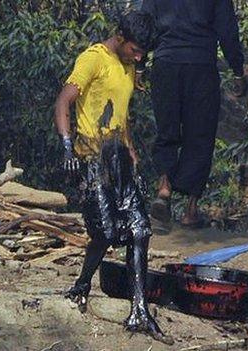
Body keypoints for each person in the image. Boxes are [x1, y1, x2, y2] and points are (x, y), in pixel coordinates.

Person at [53, 11, 172, 344]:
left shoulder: (130, 65)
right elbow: (63, 102)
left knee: (139, 230)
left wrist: (131, 149)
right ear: (120, 37)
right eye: (135, 50)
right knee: (104, 232)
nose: (139, 57)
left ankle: (139, 310)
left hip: (119, 159)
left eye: (142, 53)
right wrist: (67, 147)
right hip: (92, 158)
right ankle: (82, 282)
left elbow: (121, 112)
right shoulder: (94, 58)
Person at [139, 0, 247, 228]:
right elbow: (227, 29)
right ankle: (191, 210)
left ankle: (164, 187)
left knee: (166, 128)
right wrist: (237, 70)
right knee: (200, 136)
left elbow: (146, 22)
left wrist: (139, 66)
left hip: (166, 63)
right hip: (201, 65)